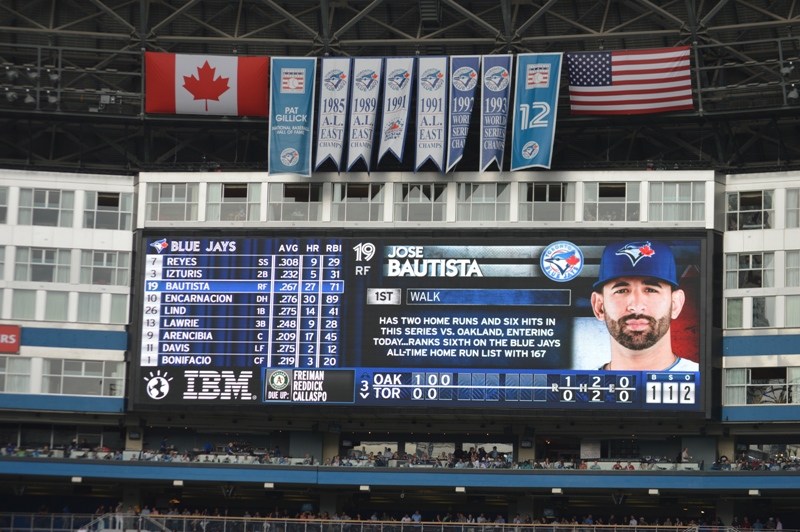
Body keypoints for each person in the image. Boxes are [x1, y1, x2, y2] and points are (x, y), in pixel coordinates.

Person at [591, 240, 699, 371]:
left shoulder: (703, 380)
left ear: (675, 304)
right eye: (621, 290)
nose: (636, 306)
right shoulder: (580, 387)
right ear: (599, 306)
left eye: (651, 290)